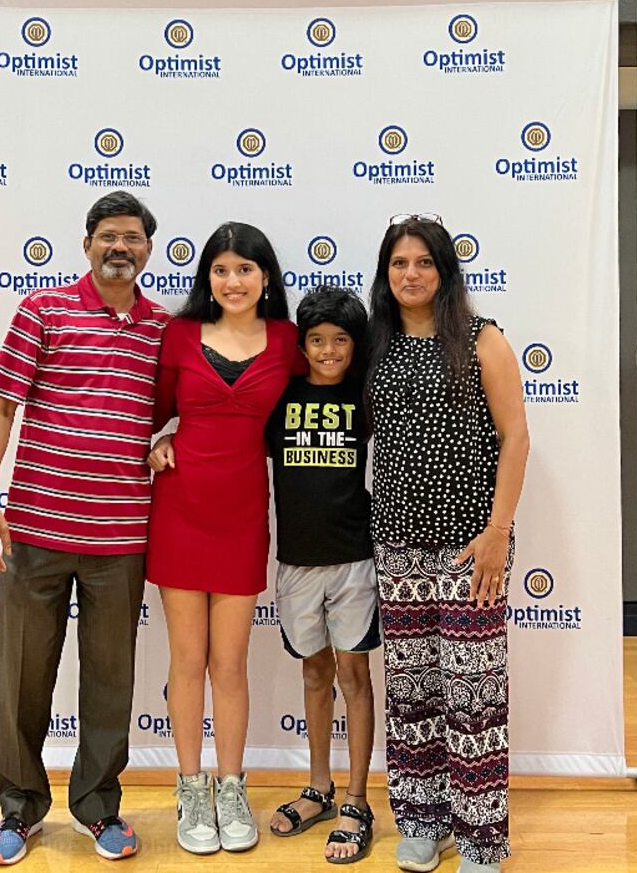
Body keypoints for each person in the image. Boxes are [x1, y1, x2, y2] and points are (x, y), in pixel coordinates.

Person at [0, 191, 171, 867]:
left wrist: (168, 438)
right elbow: (0, 407)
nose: (121, 246)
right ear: (86, 244)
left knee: (111, 682)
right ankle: (19, 811)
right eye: (109, 235)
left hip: (121, 540)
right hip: (34, 534)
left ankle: (98, 807)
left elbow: (177, 415)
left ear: (148, 250)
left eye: (133, 237)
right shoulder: (43, 310)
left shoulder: (162, 330)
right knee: (23, 679)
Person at [364, 215, 530, 873]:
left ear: (444, 271)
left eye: (423, 262)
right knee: (412, 689)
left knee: (472, 690)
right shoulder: (373, 343)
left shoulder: (482, 339)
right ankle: (421, 821)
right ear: (386, 273)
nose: (411, 274)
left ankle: (483, 838)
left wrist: (498, 532)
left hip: (472, 542)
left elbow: (515, 438)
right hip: (398, 538)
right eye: (400, 263)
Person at [144, 222, 299, 856]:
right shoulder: (178, 335)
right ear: (207, 277)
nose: (232, 281)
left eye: (245, 269)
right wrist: (158, 442)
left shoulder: (289, 340)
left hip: (241, 515)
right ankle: (190, 785)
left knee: (229, 664)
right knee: (187, 661)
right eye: (221, 269)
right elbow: (150, 412)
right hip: (180, 509)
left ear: (266, 279)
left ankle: (232, 786)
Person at [263, 286, 380, 866]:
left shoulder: (365, 395)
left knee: (353, 676)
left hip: (354, 558)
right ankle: (320, 787)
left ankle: (358, 799)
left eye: (340, 340)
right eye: (316, 340)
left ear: (355, 346)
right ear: (301, 345)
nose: (328, 350)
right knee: (315, 673)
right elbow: (227, 440)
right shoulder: (280, 396)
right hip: (295, 561)